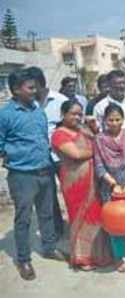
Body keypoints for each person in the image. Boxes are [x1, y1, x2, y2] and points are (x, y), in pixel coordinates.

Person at [0, 69, 65, 281]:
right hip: (22, 176)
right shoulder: (5, 114)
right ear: (16, 90)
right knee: (24, 218)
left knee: (46, 213)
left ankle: (49, 247)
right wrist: (13, 155)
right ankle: (23, 259)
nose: (35, 90)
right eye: (30, 87)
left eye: (35, 86)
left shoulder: (38, 109)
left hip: (44, 170)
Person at [51, 100, 112, 271]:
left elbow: (100, 139)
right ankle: (82, 258)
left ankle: (98, 256)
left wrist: (94, 130)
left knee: (95, 216)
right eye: (73, 114)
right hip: (74, 182)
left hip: (93, 180)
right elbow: (76, 154)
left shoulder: (83, 129)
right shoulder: (58, 134)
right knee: (80, 218)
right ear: (63, 115)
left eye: (80, 113)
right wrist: (99, 150)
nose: (78, 117)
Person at [94, 103, 125, 273]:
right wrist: (114, 184)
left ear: (123, 119)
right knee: (114, 223)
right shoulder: (99, 139)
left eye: (117, 119)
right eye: (110, 120)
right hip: (110, 186)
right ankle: (118, 256)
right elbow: (99, 167)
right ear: (105, 120)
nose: (114, 123)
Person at [28, 66, 68, 238]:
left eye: (32, 86)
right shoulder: (28, 104)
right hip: (40, 158)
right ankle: (56, 229)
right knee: (47, 195)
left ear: (40, 83)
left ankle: (79, 226)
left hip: (62, 157)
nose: (30, 90)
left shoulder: (60, 100)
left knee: (70, 191)